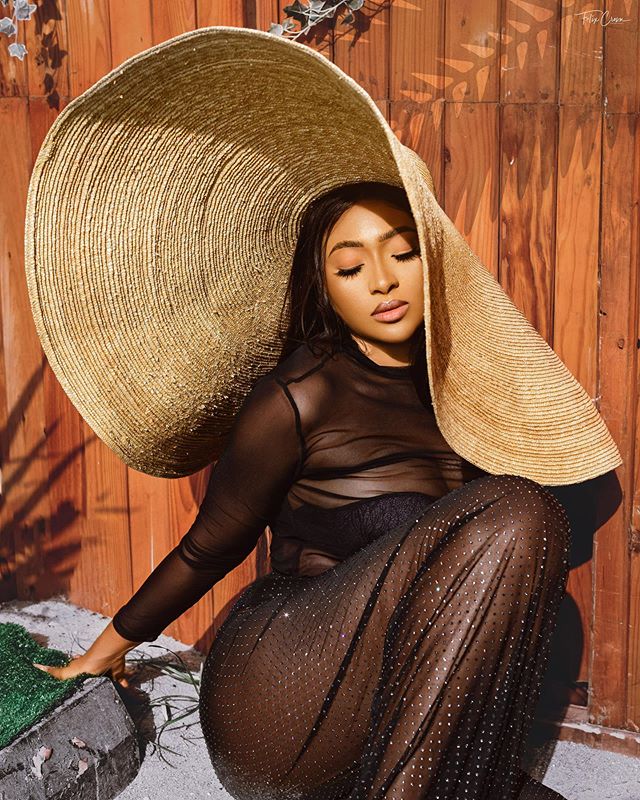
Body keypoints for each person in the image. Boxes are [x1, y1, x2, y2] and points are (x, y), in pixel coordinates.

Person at [36, 181, 573, 800]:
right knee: (524, 509)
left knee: (531, 521)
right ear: (325, 287)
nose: (382, 281)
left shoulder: (467, 387)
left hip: (385, 713)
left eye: (403, 254)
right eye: (351, 268)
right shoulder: (298, 395)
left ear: (433, 261)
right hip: (283, 690)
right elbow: (210, 546)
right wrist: (105, 651)